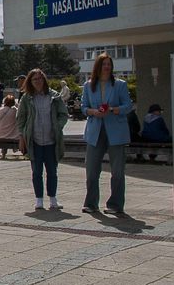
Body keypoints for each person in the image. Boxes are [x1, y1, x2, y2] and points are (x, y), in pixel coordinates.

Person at [81, 53, 133, 215]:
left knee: (117, 171)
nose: (107, 67)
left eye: (109, 64)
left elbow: (128, 106)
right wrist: (93, 111)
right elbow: (83, 107)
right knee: (91, 170)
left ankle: (115, 204)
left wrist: (113, 109)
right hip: (95, 131)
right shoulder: (89, 85)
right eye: (104, 64)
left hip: (115, 131)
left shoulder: (120, 85)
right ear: (98, 66)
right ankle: (91, 203)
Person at [16, 70, 69, 211]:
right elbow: (20, 119)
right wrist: (21, 136)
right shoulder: (27, 98)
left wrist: (58, 126)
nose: (38, 81)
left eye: (40, 79)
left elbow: (63, 114)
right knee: (36, 172)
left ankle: (53, 199)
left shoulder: (54, 96)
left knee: (52, 171)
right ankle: (39, 199)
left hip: (51, 141)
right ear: (30, 82)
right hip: (34, 141)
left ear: (44, 80)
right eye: (34, 79)